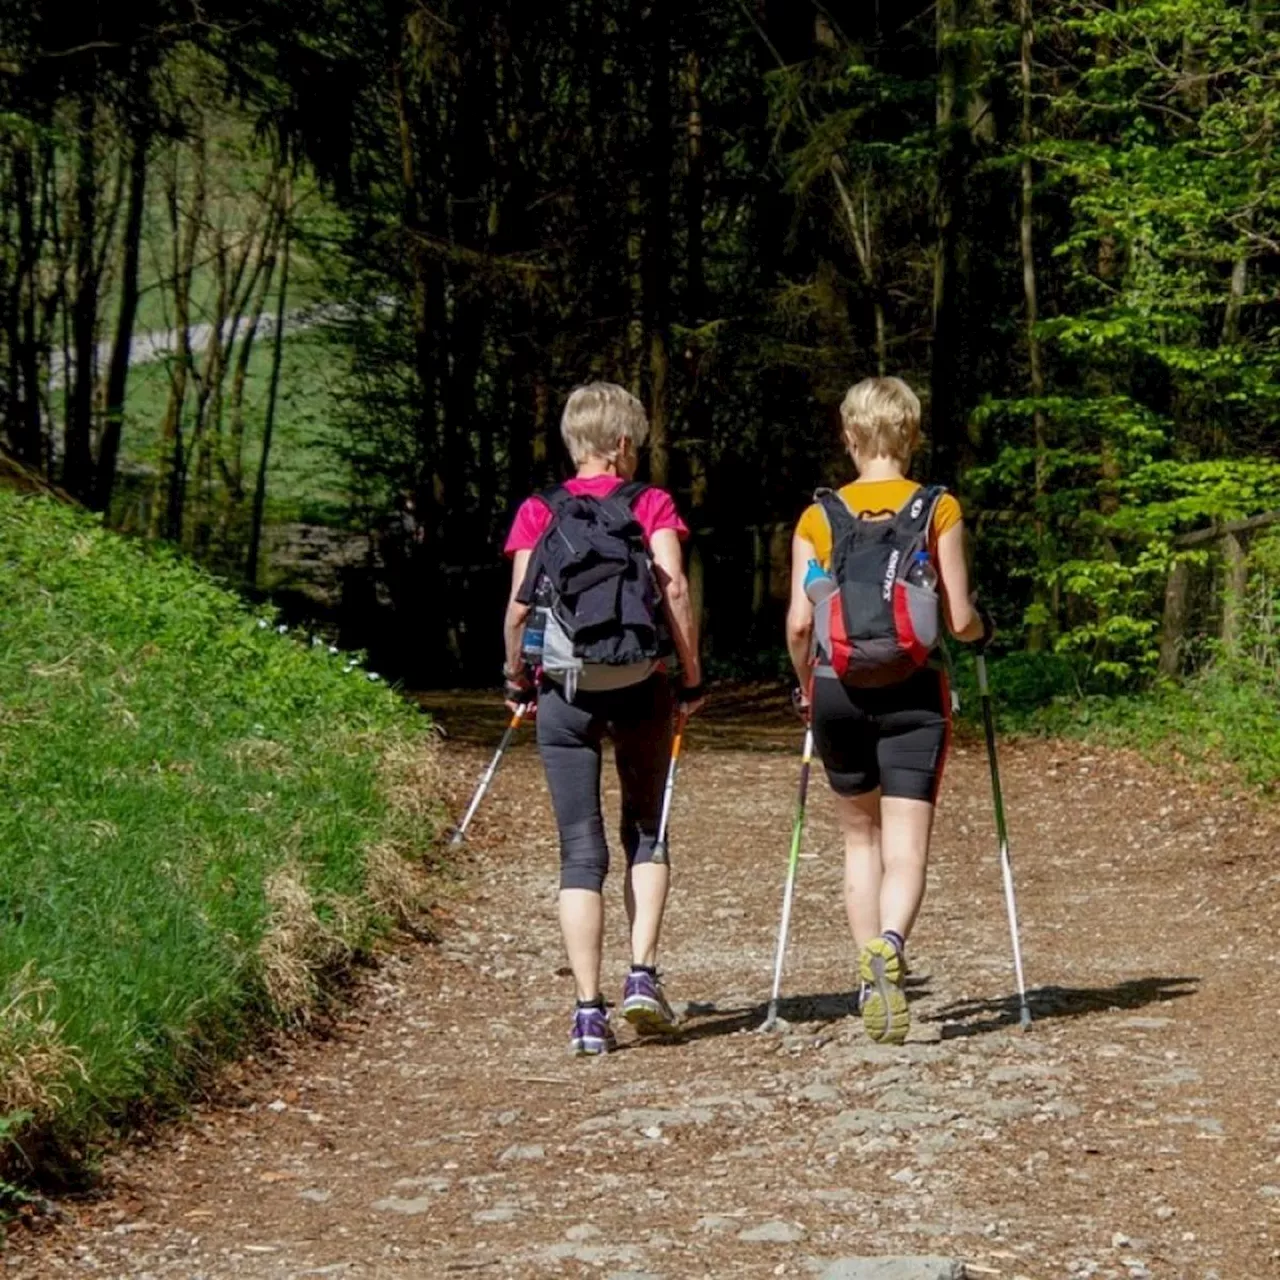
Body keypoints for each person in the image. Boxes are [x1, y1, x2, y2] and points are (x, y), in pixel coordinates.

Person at [785, 376, 991, 1044]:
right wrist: (982, 631)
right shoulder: (938, 508)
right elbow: (957, 620)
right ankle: (893, 943)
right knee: (906, 847)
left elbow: (797, 622)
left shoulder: (818, 518)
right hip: (912, 689)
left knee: (858, 840)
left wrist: (803, 687)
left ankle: (868, 972)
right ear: (911, 435)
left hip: (835, 687)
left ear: (849, 437)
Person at [503, 382, 705, 1057]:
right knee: (646, 826)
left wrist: (515, 677)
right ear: (623, 445)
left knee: (579, 849)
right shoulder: (650, 504)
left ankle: (588, 1013)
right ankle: (642, 973)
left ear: (574, 442)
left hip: (565, 690)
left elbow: (520, 608)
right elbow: (672, 588)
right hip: (640, 681)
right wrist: (691, 672)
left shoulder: (539, 510)